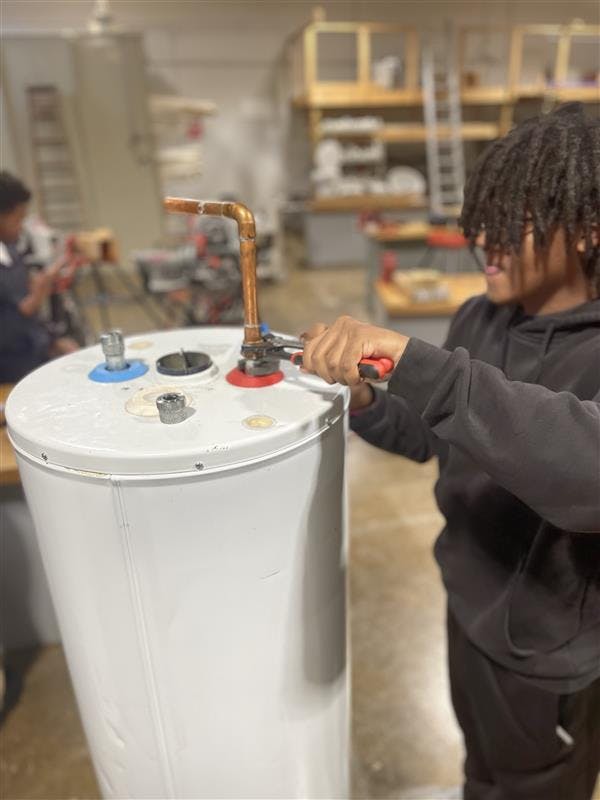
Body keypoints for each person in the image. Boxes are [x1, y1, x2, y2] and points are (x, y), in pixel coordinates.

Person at [302, 103, 600, 800]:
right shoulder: (480, 316)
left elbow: (584, 468)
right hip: (468, 606)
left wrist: (425, 367)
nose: (484, 242)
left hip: (546, 650)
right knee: (480, 775)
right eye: (483, 216)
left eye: (515, 219)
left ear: (588, 230)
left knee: (537, 787)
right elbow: (428, 433)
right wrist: (369, 397)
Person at [0, 172, 78, 384]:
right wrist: (34, 299)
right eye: (18, 219)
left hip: (33, 354)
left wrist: (54, 340)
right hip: (10, 369)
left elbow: (31, 318)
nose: (21, 226)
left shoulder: (11, 252)